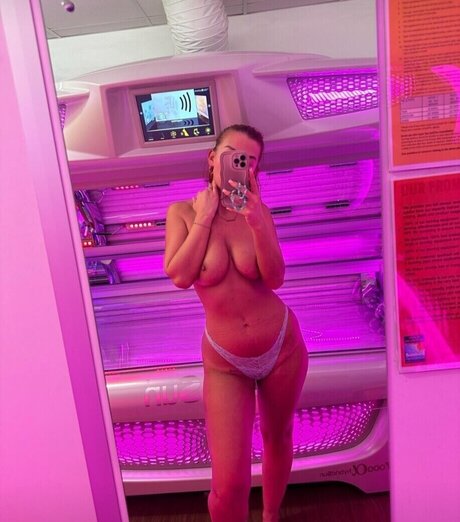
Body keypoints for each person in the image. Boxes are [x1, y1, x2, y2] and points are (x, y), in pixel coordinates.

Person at [164, 124, 308, 522]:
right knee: (229, 484)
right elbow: (180, 275)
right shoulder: (182, 213)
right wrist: (205, 218)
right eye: (231, 155)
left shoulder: (258, 213)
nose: (239, 165)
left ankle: (271, 515)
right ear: (212, 159)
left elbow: (275, 278)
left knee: (277, 436)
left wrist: (257, 221)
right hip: (226, 361)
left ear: (254, 170)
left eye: (249, 161)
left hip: (282, 346)